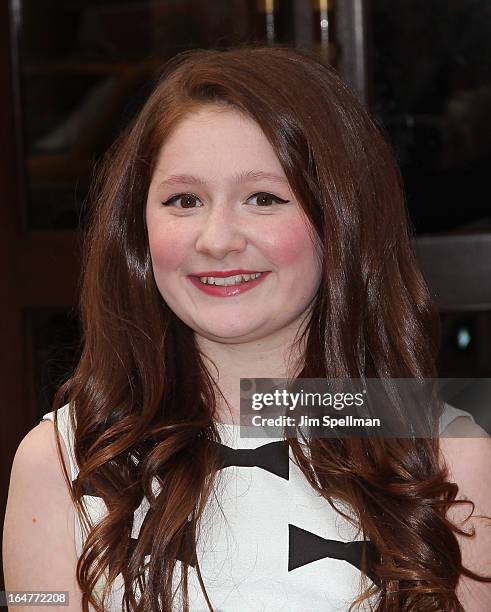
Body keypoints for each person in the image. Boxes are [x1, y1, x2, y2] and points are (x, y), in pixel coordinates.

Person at [3, 44, 491, 612]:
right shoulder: (60, 460)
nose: (217, 239)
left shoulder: (444, 457)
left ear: (342, 222)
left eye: (264, 198)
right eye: (184, 200)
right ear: (137, 234)